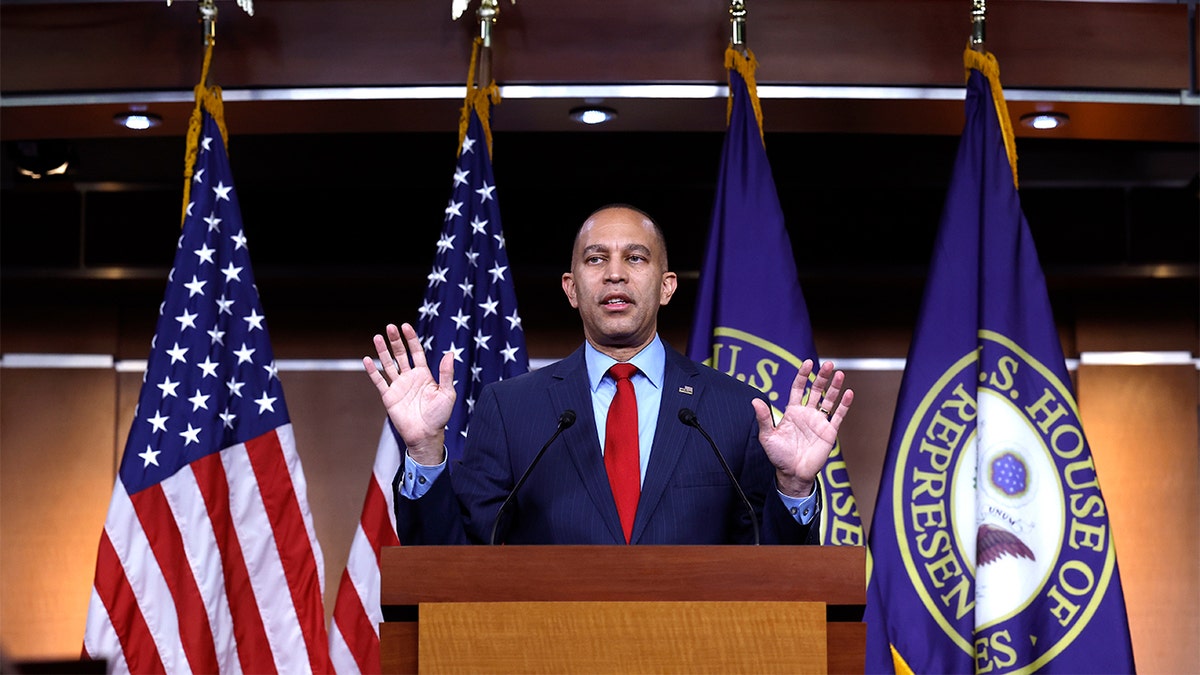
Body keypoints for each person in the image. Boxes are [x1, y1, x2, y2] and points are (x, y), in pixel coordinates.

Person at [363, 204, 853, 545]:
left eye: (634, 258)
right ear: (571, 288)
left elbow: (775, 570)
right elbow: (456, 559)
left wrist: (793, 486)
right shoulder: (511, 409)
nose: (614, 273)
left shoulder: (734, 409)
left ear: (666, 287)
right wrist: (425, 452)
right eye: (596, 259)